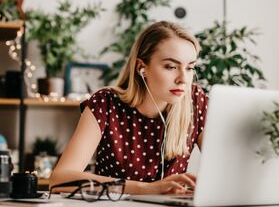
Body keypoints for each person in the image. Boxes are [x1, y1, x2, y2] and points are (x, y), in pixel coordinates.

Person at [49, 21, 208, 195]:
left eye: (190, 68)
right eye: (171, 67)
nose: (183, 79)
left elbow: (226, 166)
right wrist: (145, 189)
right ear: (141, 68)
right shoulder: (106, 103)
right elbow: (59, 179)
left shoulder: (195, 101)